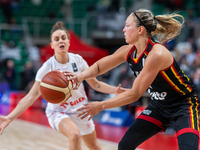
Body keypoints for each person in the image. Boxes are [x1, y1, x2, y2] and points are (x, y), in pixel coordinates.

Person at [65, 9, 200, 150]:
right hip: (159, 105)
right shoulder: (128, 51)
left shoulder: (157, 54)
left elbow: (135, 94)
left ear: (140, 30)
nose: (123, 29)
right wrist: (80, 76)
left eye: (127, 25)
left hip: (183, 105)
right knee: (125, 146)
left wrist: (101, 105)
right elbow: (99, 67)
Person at [0, 22, 125, 150]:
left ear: (69, 42)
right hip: (58, 111)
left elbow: (96, 84)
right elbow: (30, 97)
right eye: (57, 39)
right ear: (52, 45)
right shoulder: (47, 68)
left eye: (63, 38)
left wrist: (115, 90)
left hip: (81, 110)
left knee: (93, 146)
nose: (61, 41)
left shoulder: (78, 60)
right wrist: (8, 118)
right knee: (75, 135)